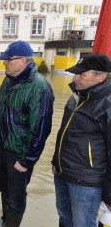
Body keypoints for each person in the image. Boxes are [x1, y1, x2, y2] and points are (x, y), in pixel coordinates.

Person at [0, 40, 54, 227]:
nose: (5, 63)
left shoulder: (40, 87)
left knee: (17, 196)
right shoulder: (8, 80)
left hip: (19, 152)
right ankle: (4, 220)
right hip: (2, 146)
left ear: (24, 61)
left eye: (8, 60)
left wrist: (27, 160)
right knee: (3, 187)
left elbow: (41, 129)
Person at [51, 53, 111, 227]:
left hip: (87, 183)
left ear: (101, 77)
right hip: (63, 173)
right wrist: (56, 160)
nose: (75, 78)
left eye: (82, 74)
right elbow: (64, 132)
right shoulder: (76, 96)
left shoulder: (108, 104)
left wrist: (109, 194)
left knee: (82, 224)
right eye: (76, 73)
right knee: (64, 219)